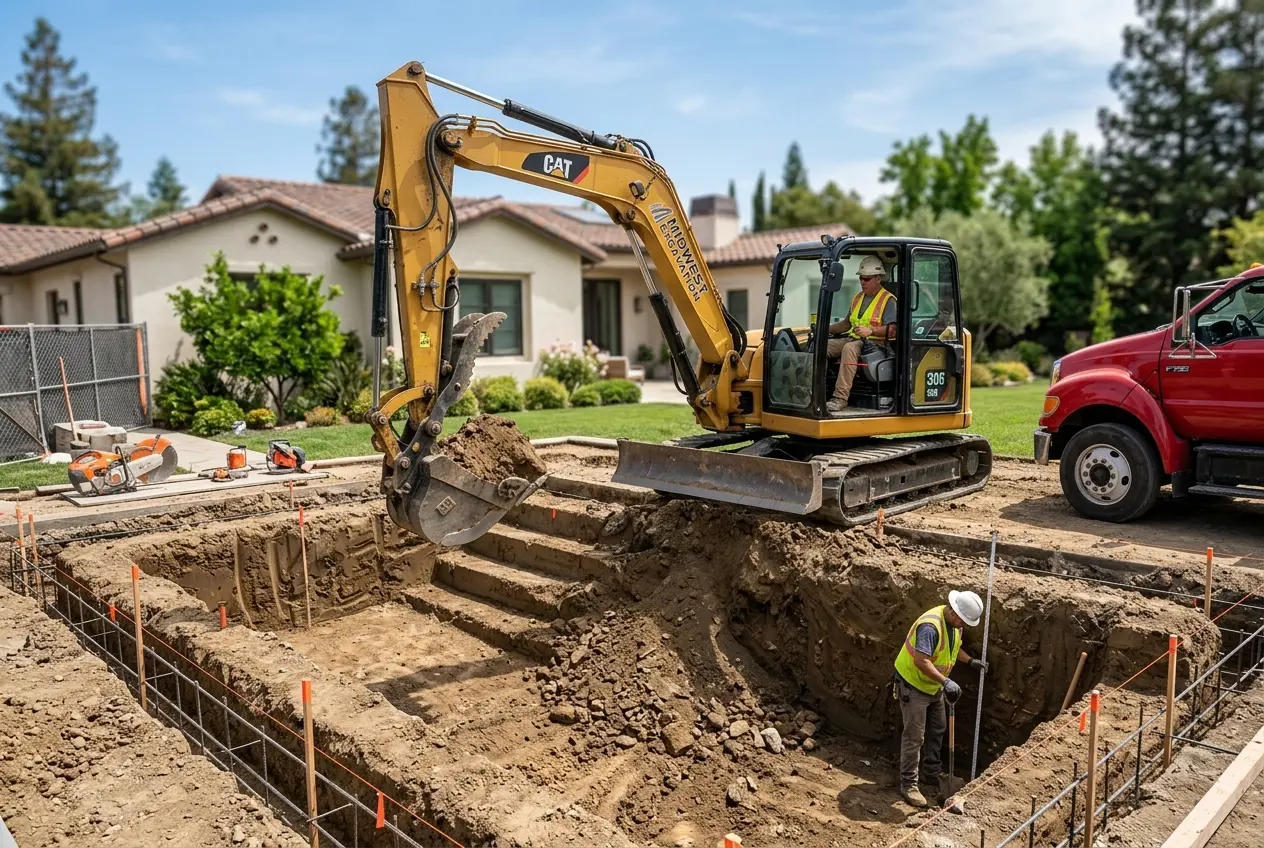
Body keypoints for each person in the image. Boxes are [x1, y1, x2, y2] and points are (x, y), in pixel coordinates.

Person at [891, 590, 988, 808]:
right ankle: (909, 784)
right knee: (914, 736)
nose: (964, 624)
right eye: (963, 620)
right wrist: (946, 682)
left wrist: (970, 661)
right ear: (954, 612)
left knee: (938, 728)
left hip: (932, 685)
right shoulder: (930, 627)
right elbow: (921, 661)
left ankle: (931, 772)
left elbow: (954, 646)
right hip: (913, 685)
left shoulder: (955, 625)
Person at [825, 255, 897, 415]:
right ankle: (816, 391)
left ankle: (840, 398)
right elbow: (846, 324)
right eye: (861, 279)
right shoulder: (858, 298)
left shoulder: (888, 300)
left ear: (879, 278)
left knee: (849, 348)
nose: (862, 282)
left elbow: (893, 330)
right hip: (854, 338)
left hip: (876, 344)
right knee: (821, 347)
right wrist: (825, 329)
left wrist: (870, 331)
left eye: (867, 278)